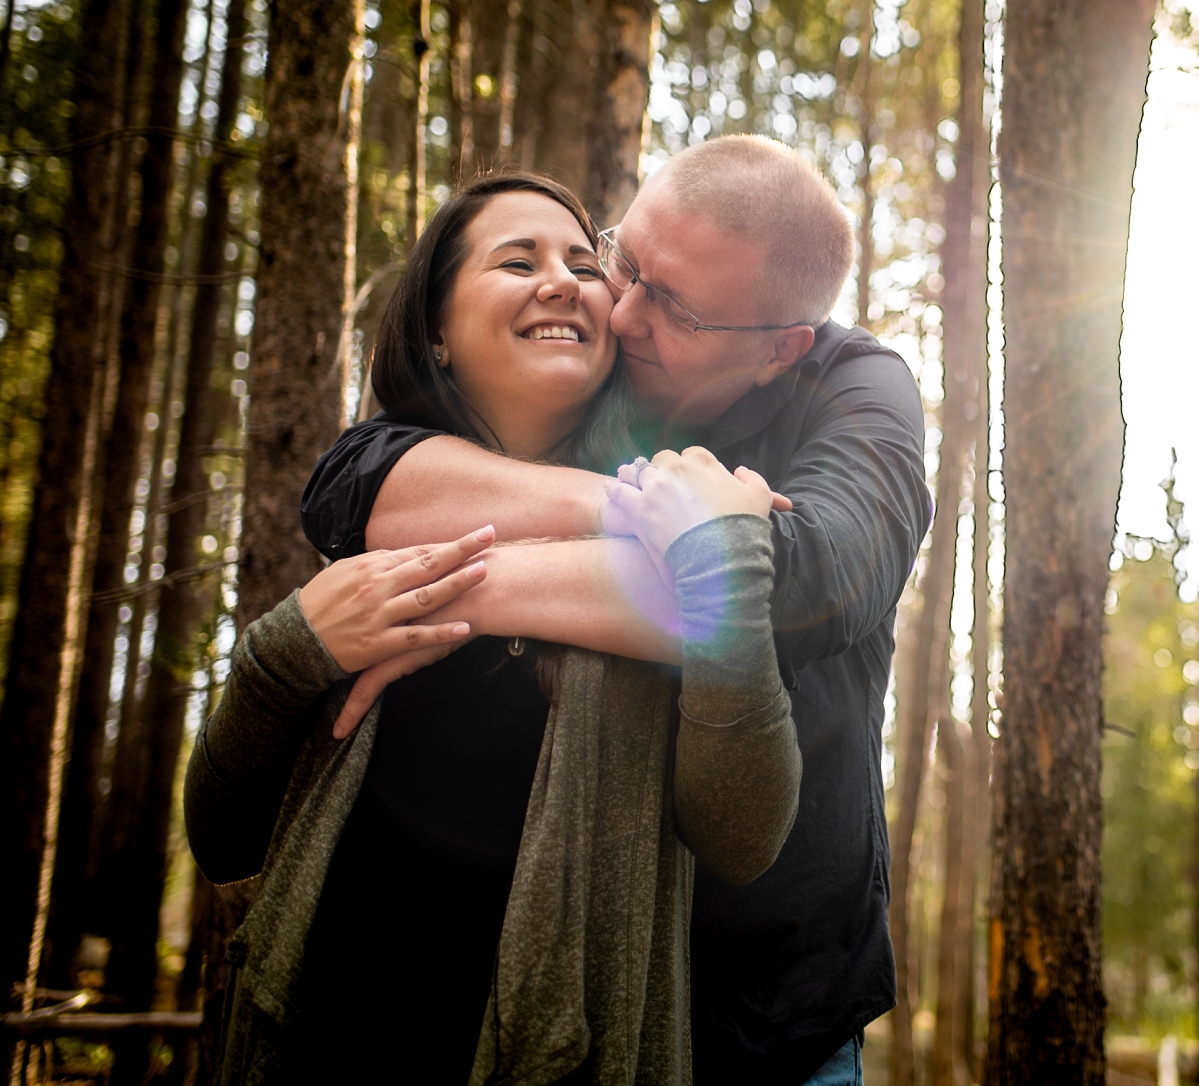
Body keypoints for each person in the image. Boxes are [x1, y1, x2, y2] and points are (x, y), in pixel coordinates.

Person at [301, 136, 932, 1086]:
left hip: (768, 997)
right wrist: (657, 516)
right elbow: (360, 481)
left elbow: (806, 583)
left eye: (673, 306)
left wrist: (460, 588)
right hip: (560, 980)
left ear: (778, 349)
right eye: (622, 259)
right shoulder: (587, 355)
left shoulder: (856, 389)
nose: (623, 311)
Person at [186, 174, 803, 1085]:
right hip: (317, 1046)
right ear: (434, 330)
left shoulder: (691, 535)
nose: (563, 281)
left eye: (585, 265)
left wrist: (720, 571)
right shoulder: (374, 523)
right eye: (518, 261)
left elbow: (744, 838)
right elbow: (223, 837)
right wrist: (282, 658)